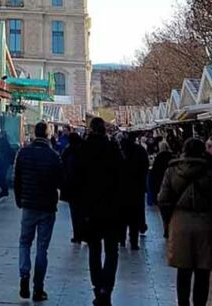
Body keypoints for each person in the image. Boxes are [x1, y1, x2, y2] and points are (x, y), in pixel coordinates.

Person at [157, 137, 212, 306]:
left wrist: (169, 220)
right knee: (203, 272)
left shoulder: (172, 171)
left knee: (183, 270)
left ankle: (183, 303)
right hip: (206, 224)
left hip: (180, 224)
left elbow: (163, 199)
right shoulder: (209, 172)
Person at [14, 120, 63, 303]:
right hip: (47, 207)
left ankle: (24, 276)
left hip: (29, 205)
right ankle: (38, 288)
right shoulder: (54, 156)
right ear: (48, 134)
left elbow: (17, 178)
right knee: (42, 248)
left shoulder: (23, 153)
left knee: (24, 242)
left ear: (35, 133)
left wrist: (20, 199)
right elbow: (60, 181)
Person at [82, 117, 125, 306]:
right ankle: (106, 287)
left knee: (94, 249)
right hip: (112, 207)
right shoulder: (113, 149)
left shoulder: (85, 149)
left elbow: (78, 179)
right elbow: (122, 177)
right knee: (111, 251)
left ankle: (97, 285)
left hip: (91, 208)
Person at [121, 131, 149, 249]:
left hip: (121, 189)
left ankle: (121, 239)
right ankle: (134, 242)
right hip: (137, 188)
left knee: (122, 216)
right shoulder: (140, 151)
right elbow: (145, 166)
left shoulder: (120, 152)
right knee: (135, 216)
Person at [60, 129, 86, 243]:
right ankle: (84, 234)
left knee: (75, 213)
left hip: (71, 188)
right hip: (83, 187)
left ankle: (77, 235)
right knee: (83, 212)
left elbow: (63, 168)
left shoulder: (67, 152)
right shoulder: (84, 151)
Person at [149, 139, 173, 206]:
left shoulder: (158, 157)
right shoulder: (170, 156)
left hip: (159, 177)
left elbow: (154, 168)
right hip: (167, 176)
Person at [0, 126, 15, 197]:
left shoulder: (2, 141)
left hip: (3, 162)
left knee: (1, 176)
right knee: (3, 176)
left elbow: (1, 152)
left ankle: (4, 191)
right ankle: (4, 191)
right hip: (6, 162)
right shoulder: (7, 142)